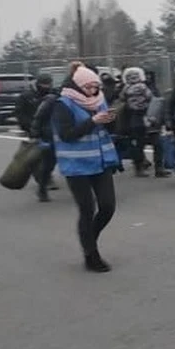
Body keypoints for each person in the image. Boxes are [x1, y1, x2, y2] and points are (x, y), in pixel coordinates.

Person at [51, 67, 120, 273]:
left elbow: (108, 131)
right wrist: (92, 121)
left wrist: (111, 122)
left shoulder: (99, 100)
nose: (93, 90)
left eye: (96, 86)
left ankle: (89, 237)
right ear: (78, 86)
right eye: (88, 87)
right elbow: (66, 134)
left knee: (108, 206)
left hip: (101, 161)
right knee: (87, 209)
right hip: (76, 165)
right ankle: (91, 255)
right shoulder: (62, 104)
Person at [120, 67, 154, 178]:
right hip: (142, 115)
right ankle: (141, 165)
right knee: (141, 142)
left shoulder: (126, 88)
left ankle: (138, 165)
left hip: (130, 116)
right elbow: (150, 97)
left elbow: (121, 98)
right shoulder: (143, 87)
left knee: (135, 143)